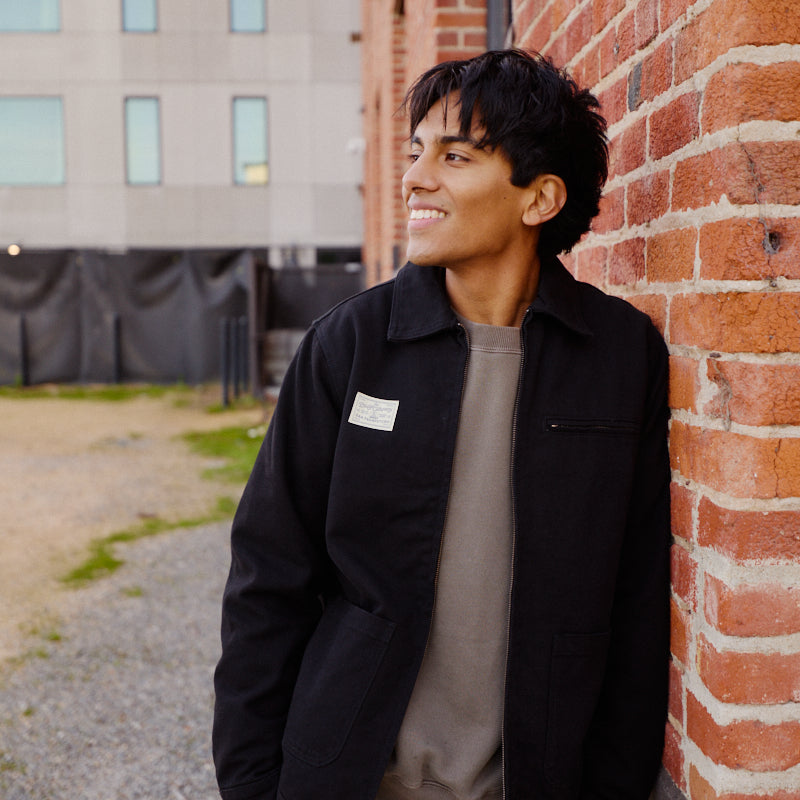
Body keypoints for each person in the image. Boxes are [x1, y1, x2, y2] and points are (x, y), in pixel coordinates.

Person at [213, 49, 671, 800]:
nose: (416, 177)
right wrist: (253, 781)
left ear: (540, 198)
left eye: (455, 156)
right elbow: (269, 576)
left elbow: (638, 600)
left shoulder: (621, 358)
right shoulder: (350, 346)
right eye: (417, 151)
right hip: (353, 778)